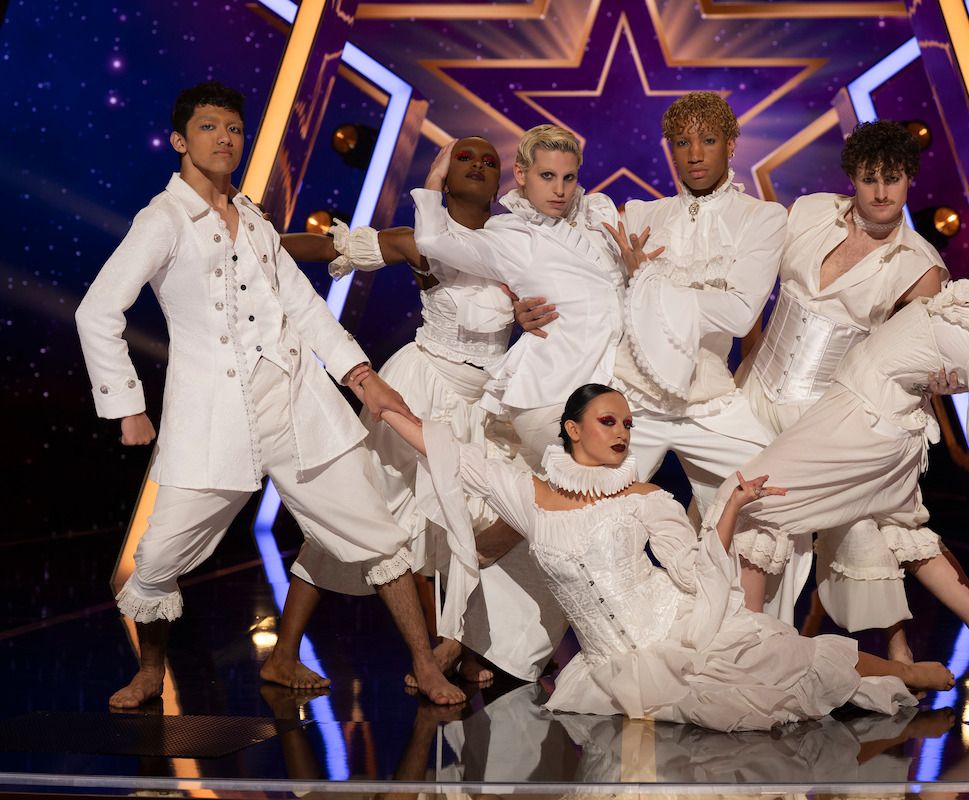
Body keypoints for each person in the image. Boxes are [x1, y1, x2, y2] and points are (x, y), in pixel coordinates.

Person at [75, 80, 461, 707]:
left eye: (233, 127)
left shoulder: (253, 220)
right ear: (179, 141)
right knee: (158, 559)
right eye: (208, 127)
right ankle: (150, 673)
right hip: (215, 419)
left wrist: (361, 377)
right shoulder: (163, 219)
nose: (224, 138)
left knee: (380, 534)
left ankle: (425, 662)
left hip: (298, 405)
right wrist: (128, 407)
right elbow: (97, 312)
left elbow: (304, 308)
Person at [376, 383, 956, 732]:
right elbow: (451, 455)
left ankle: (906, 673)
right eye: (609, 422)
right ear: (573, 429)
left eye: (628, 424)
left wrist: (730, 507)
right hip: (610, 664)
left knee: (790, 659)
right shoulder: (530, 498)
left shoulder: (646, 497)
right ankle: (900, 676)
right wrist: (376, 396)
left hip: (678, 630)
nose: (623, 433)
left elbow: (692, 568)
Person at [705, 279, 969, 685]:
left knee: (751, 502)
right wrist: (939, 375)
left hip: (866, 416)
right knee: (900, 528)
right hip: (890, 413)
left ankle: (752, 653)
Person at [263, 136, 517, 689]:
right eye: (465, 158)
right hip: (419, 392)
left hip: (485, 402)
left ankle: (460, 646)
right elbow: (332, 249)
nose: (477, 165)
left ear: (501, 182)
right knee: (361, 513)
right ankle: (283, 653)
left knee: (471, 525)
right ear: (443, 177)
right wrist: (259, 240)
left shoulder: (516, 244)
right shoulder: (418, 240)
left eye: (489, 160)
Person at [410, 124, 626, 681]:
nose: (559, 189)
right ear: (522, 176)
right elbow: (433, 241)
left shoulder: (598, 221)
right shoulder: (511, 234)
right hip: (549, 393)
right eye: (546, 176)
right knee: (572, 506)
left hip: (601, 394)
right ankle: (470, 624)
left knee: (552, 520)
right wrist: (433, 181)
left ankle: (477, 632)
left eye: (569, 177)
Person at [734, 119, 952, 640]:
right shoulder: (810, 212)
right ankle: (738, 641)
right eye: (870, 178)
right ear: (852, 177)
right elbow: (754, 288)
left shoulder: (920, 267)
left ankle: (894, 654)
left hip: (827, 417)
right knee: (734, 512)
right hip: (752, 394)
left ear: (909, 179)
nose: (881, 192)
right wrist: (747, 350)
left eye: (893, 179)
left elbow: (909, 360)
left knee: (855, 530)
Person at [603, 91, 786, 516]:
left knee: (775, 502)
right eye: (682, 143)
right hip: (632, 400)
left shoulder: (762, 217)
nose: (695, 154)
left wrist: (647, 283)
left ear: (731, 144)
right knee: (587, 517)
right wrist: (522, 301)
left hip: (709, 403)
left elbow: (739, 315)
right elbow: (585, 279)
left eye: (709, 140)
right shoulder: (640, 216)